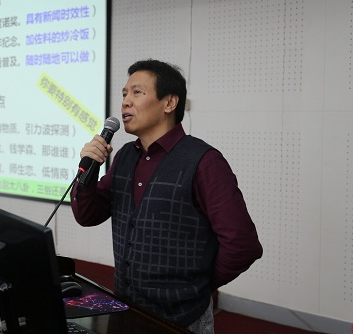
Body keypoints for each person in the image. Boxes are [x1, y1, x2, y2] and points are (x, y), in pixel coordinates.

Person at [70, 59, 263, 334]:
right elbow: (88, 215)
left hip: (182, 319)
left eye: (137, 92)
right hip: (127, 309)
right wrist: (87, 174)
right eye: (124, 94)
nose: (125, 102)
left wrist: (199, 285)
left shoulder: (204, 161)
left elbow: (243, 245)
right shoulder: (124, 157)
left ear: (169, 103)